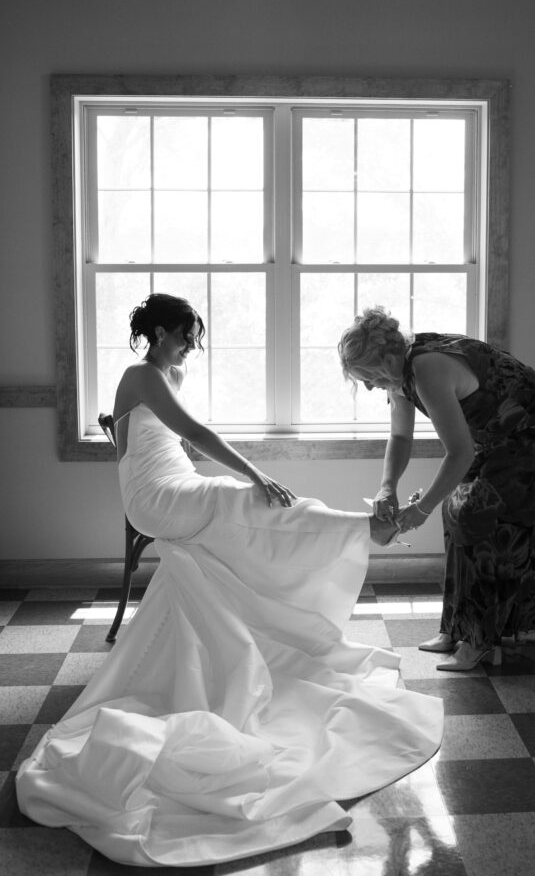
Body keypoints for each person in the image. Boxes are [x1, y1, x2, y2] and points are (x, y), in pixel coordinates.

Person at [17, 294, 443, 868]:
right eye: (189, 333)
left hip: (175, 481)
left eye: (196, 334)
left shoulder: (171, 371)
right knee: (249, 501)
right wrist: (255, 472)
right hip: (153, 496)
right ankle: (367, 529)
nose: (194, 343)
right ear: (161, 332)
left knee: (247, 518)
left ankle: (353, 535)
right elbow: (178, 432)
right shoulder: (139, 374)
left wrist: (217, 467)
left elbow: (177, 441)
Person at [338, 306, 535, 672]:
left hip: (527, 427)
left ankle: (482, 641)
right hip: (489, 430)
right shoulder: (399, 375)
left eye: (367, 375)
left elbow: (459, 452)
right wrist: (387, 488)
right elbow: (400, 435)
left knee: (480, 518)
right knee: (456, 512)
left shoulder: (426, 369)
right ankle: (456, 628)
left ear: (389, 356)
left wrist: (421, 509)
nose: (367, 385)